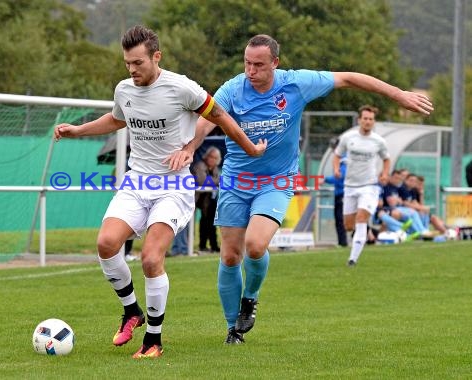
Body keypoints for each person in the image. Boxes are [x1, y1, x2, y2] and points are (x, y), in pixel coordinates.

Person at [174, 34, 433, 344]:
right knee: (230, 256)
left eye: (259, 65)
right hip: (236, 180)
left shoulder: (296, 83)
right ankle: (233, 329)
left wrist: (398, 94)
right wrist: (191, 147)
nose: (251, 71)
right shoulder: (233, 88)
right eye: (247, 63)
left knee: (255, 246)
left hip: (277, 180)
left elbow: (348, 78)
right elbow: (207, 120)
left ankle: (250, 298)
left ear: (275, 64)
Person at [54, 25, 266, 358]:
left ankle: (154, 339)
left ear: (157, 56)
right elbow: (116, 119)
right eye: (127, 63)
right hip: (137, 181)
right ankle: (131, 311)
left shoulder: (183, 88)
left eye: (138, 62)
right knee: (106, 244)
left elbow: (221, 117)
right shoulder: (124, 89)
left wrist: (249, 148)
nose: (132, 69)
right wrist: (77, 130)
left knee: (152, 259)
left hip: (174, 186)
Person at [334, 105, 391, 264]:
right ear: (359, 120)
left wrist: (385, 174)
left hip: (369, 185)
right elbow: (337, 155)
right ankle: (359, 238)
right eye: (365, 118)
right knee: (348, 226)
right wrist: (336, 169)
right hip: (350, 185)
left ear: (374, 122)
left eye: (370, 119)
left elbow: (386, 159)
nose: (367, 122)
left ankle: (353, 259)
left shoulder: (379, 141)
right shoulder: (348, 138)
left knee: (361, 217)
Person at [193, 146, 222, 253]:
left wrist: (214, 180)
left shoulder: (215, 169)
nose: (212, 159)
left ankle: (213, 246)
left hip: (209, 199)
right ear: (206, 156)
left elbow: (217, 181)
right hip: (196, 198)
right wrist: (216, 180)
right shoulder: (200, 165)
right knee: (203, 222)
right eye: (210, 156)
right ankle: (202, 246)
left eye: (215, 158)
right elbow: (202, 181)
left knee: (210, 222)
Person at [324, 138, 348, 247]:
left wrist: (325, 180)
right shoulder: (340, 159)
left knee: (340, 219)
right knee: (341, 219)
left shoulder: (343, 159)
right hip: (340, 193)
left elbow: (340, 177)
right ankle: (342, 242)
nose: (334, 151)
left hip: (343, 193)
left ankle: (343, 242)